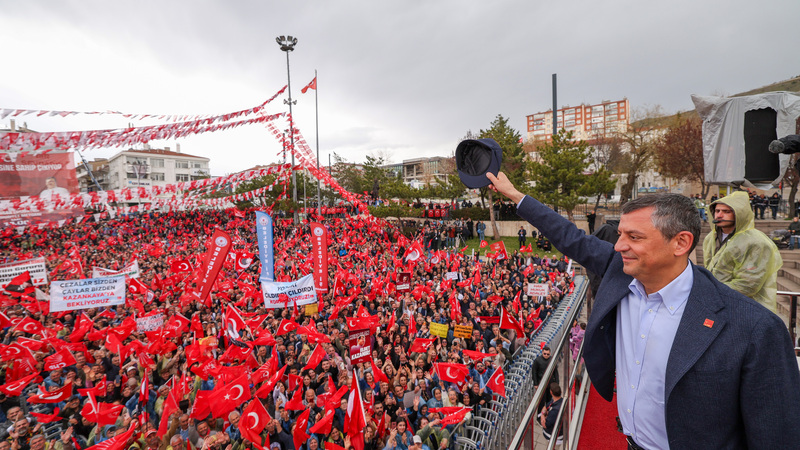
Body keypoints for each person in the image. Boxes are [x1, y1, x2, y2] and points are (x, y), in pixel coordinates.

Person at [486, 171, 800, 449]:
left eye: (634, 237)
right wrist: (515, 196)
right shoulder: (618, 270)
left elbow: (776, 435)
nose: (619, 245)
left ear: (680, 243)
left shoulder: (755, 328)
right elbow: (569, 236)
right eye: (620, 234)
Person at [703, 191, 782, 313]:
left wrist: (711, 290)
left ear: (740, 214)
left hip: (747, 309)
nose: (719, 215)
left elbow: (749, 284)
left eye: (726, 212)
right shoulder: (711, 238)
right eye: (717, 211)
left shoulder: (756, 242)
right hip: (717, 306)